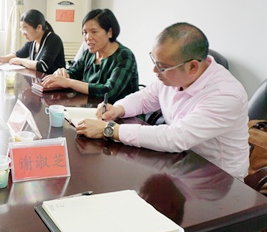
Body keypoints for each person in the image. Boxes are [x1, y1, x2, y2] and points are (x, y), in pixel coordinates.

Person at [75, 22, 249, 180]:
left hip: (217, 182)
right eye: (155, 61)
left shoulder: (225, 95)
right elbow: (145, 97)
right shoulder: (174, 75)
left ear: (192, 66)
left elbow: (175, 138)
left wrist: (109, 130)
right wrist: (118, 108)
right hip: (180, 163)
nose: (154, 70)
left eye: (162, 66)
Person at [41, 9, 139, 103]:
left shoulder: (124, 56)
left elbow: (109, 91)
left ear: (110, 32)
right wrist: (63, 74)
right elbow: (74, 72)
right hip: (91, 108)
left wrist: (68, 82)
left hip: (120, 113)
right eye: (85, 32)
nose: (88, 37)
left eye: (94, 32)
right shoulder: (90, 53)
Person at [0, 9, 65, 73]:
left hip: (55, 82)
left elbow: (42, 66)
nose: (23, 34)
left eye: (25, 30)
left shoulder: (53, 40)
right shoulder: (33, 40)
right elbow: (18, 54)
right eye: (22, 30)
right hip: (39, 80)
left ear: (39, 28)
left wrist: (20, 61)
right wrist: (2, 58)